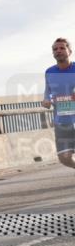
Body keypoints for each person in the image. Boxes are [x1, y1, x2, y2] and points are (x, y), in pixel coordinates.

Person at [42, 37, 75, 169]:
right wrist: (46, 100)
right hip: (62, 121)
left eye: (62, 48)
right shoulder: (49, 72)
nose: (58, 51)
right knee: (64, 158)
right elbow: (48, 92)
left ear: (69, 51)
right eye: (55, 49)